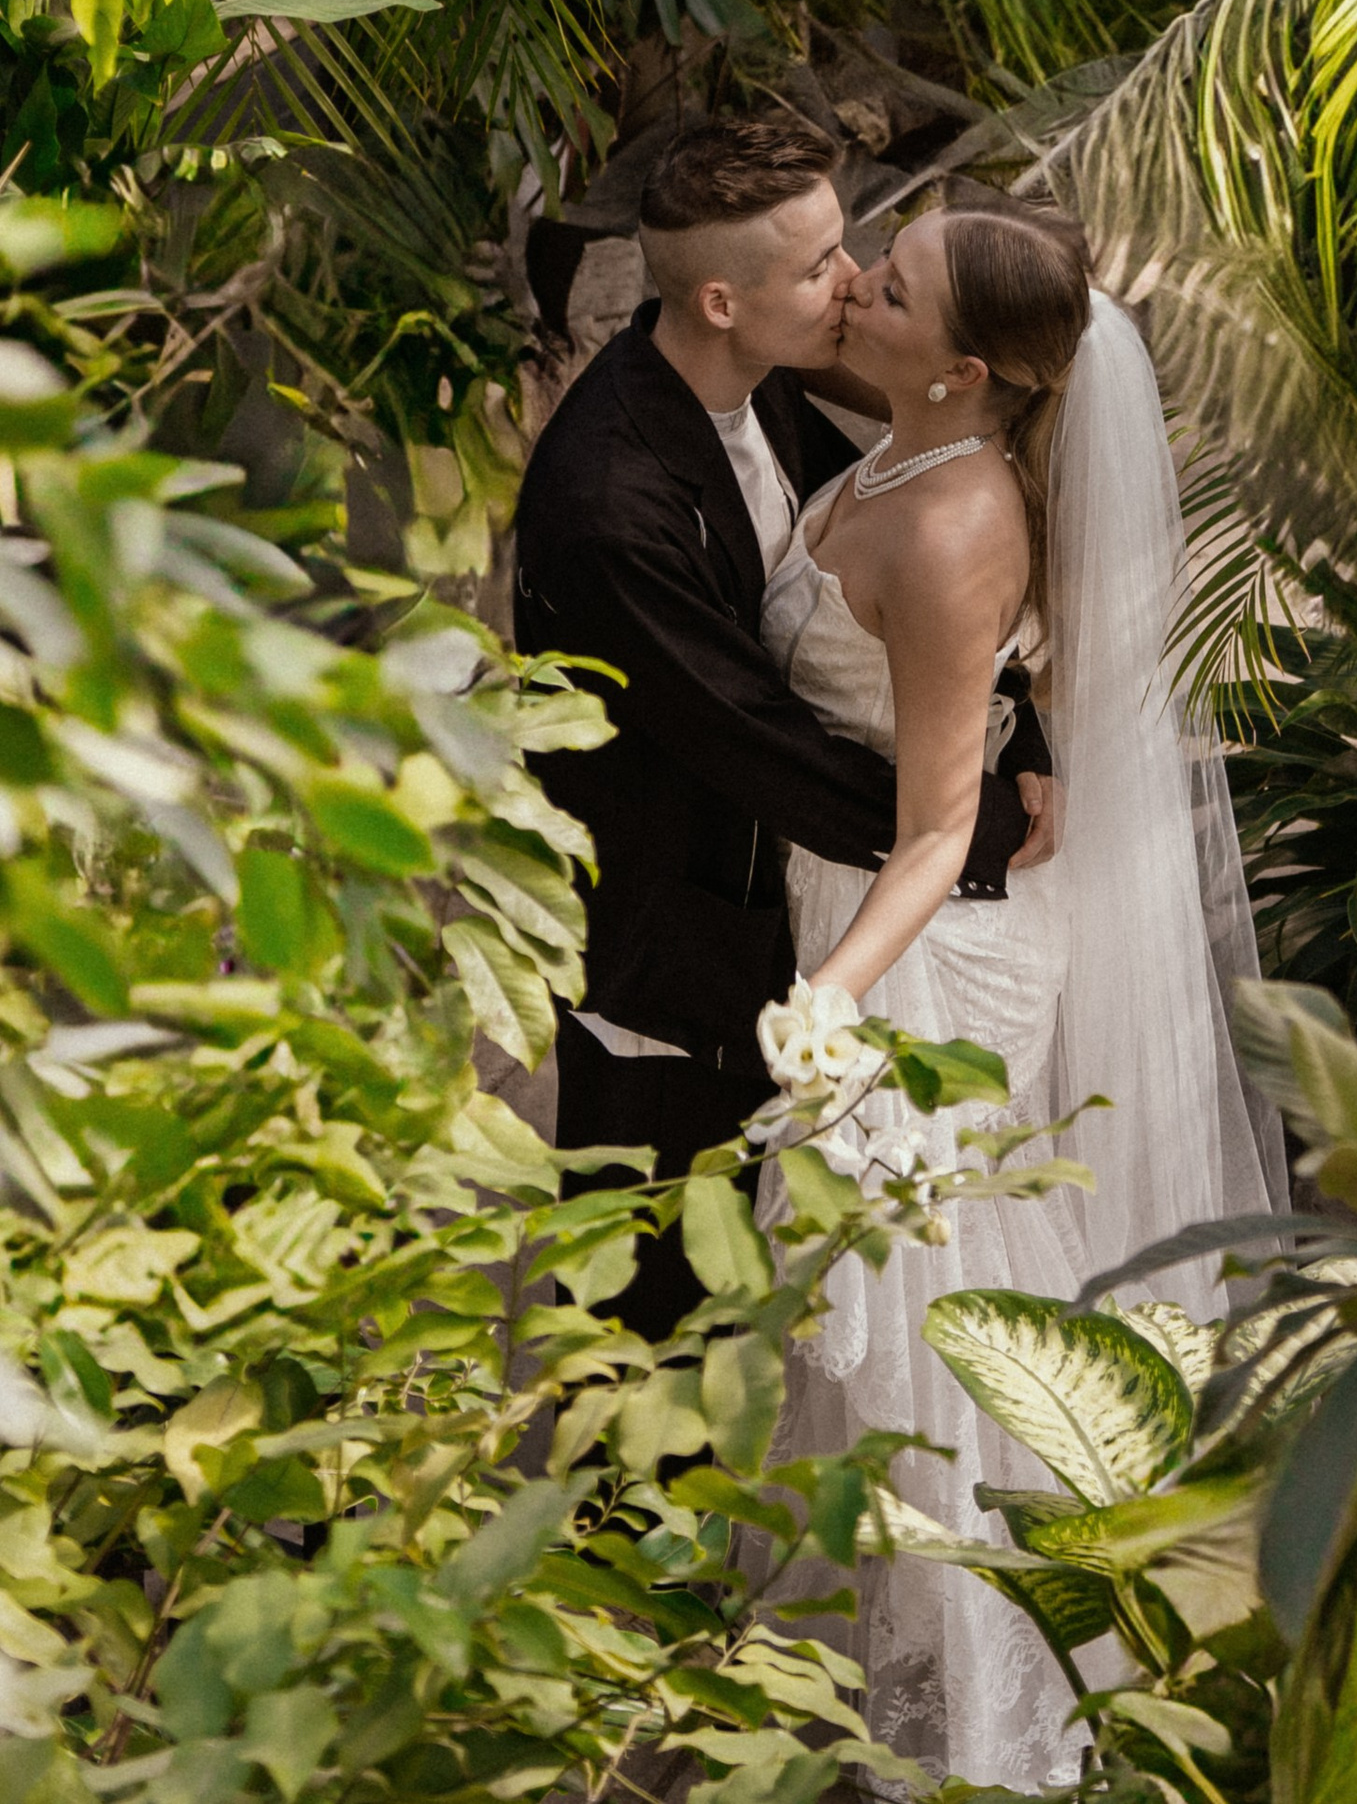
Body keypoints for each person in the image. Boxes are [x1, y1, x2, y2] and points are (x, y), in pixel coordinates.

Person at [758, 201, 1281, 1791]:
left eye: (889, 284)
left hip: (917, 947)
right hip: (878, 909)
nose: (857, 286)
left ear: (964, 364)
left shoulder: (948, 520)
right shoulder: (917, 440)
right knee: (919, 1326)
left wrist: (827, 1009)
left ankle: (1007, 1729)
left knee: (942, 1340)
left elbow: (933, 821)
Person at [510, 105, 1054, 1337]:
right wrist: (950, 843)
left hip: (788, 926)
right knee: (651, 1327)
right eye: (819, 264)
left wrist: (1021, 738)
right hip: (673, 960)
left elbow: (939, 599)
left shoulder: (771, 373)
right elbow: (758, 740)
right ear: (718, 299)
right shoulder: (610, 502)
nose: (854, 280)